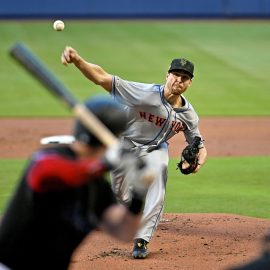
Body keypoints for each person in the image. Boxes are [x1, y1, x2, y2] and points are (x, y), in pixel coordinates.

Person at [61, 46, 208, 259]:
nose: (179, 80)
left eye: (185, 77)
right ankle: (118, 214)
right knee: (120, 195)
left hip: (155, 150)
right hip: (125, 146)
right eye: (176, 74)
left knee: (160, 172)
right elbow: (102, 78)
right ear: (167, 75)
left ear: (189, 83)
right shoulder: (143, 93)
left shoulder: (189, 115)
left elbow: (199, 145)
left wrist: (195, 164)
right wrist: (77, 60)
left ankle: (142, 239)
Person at [0, 96, 154, 270]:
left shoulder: (96, 186)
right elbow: (47, 173)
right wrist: (105, 164)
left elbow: (123, 232)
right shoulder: (50, 158)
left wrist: (138, 196)